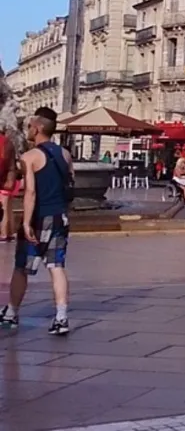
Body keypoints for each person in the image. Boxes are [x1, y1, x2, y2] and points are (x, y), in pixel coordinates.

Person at [0, 107, 73, 335]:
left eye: (30, 126)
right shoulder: (65, 154)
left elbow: (30, 192)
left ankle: (11, 313)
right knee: (56, 266)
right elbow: (70, 187)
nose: (28, 129)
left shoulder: (30, 156)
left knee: (21, 267)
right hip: (59, 216)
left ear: (39, 128)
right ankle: (61, 317)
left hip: (40, 217)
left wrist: (26, 223)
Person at [0, 131, 21, 242]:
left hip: (3, 182)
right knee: (8, 208)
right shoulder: (8, 142)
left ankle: (3, 234)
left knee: (3, 209)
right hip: (10, 181)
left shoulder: (2, 142)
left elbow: (1, 163)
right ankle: (10, 232)